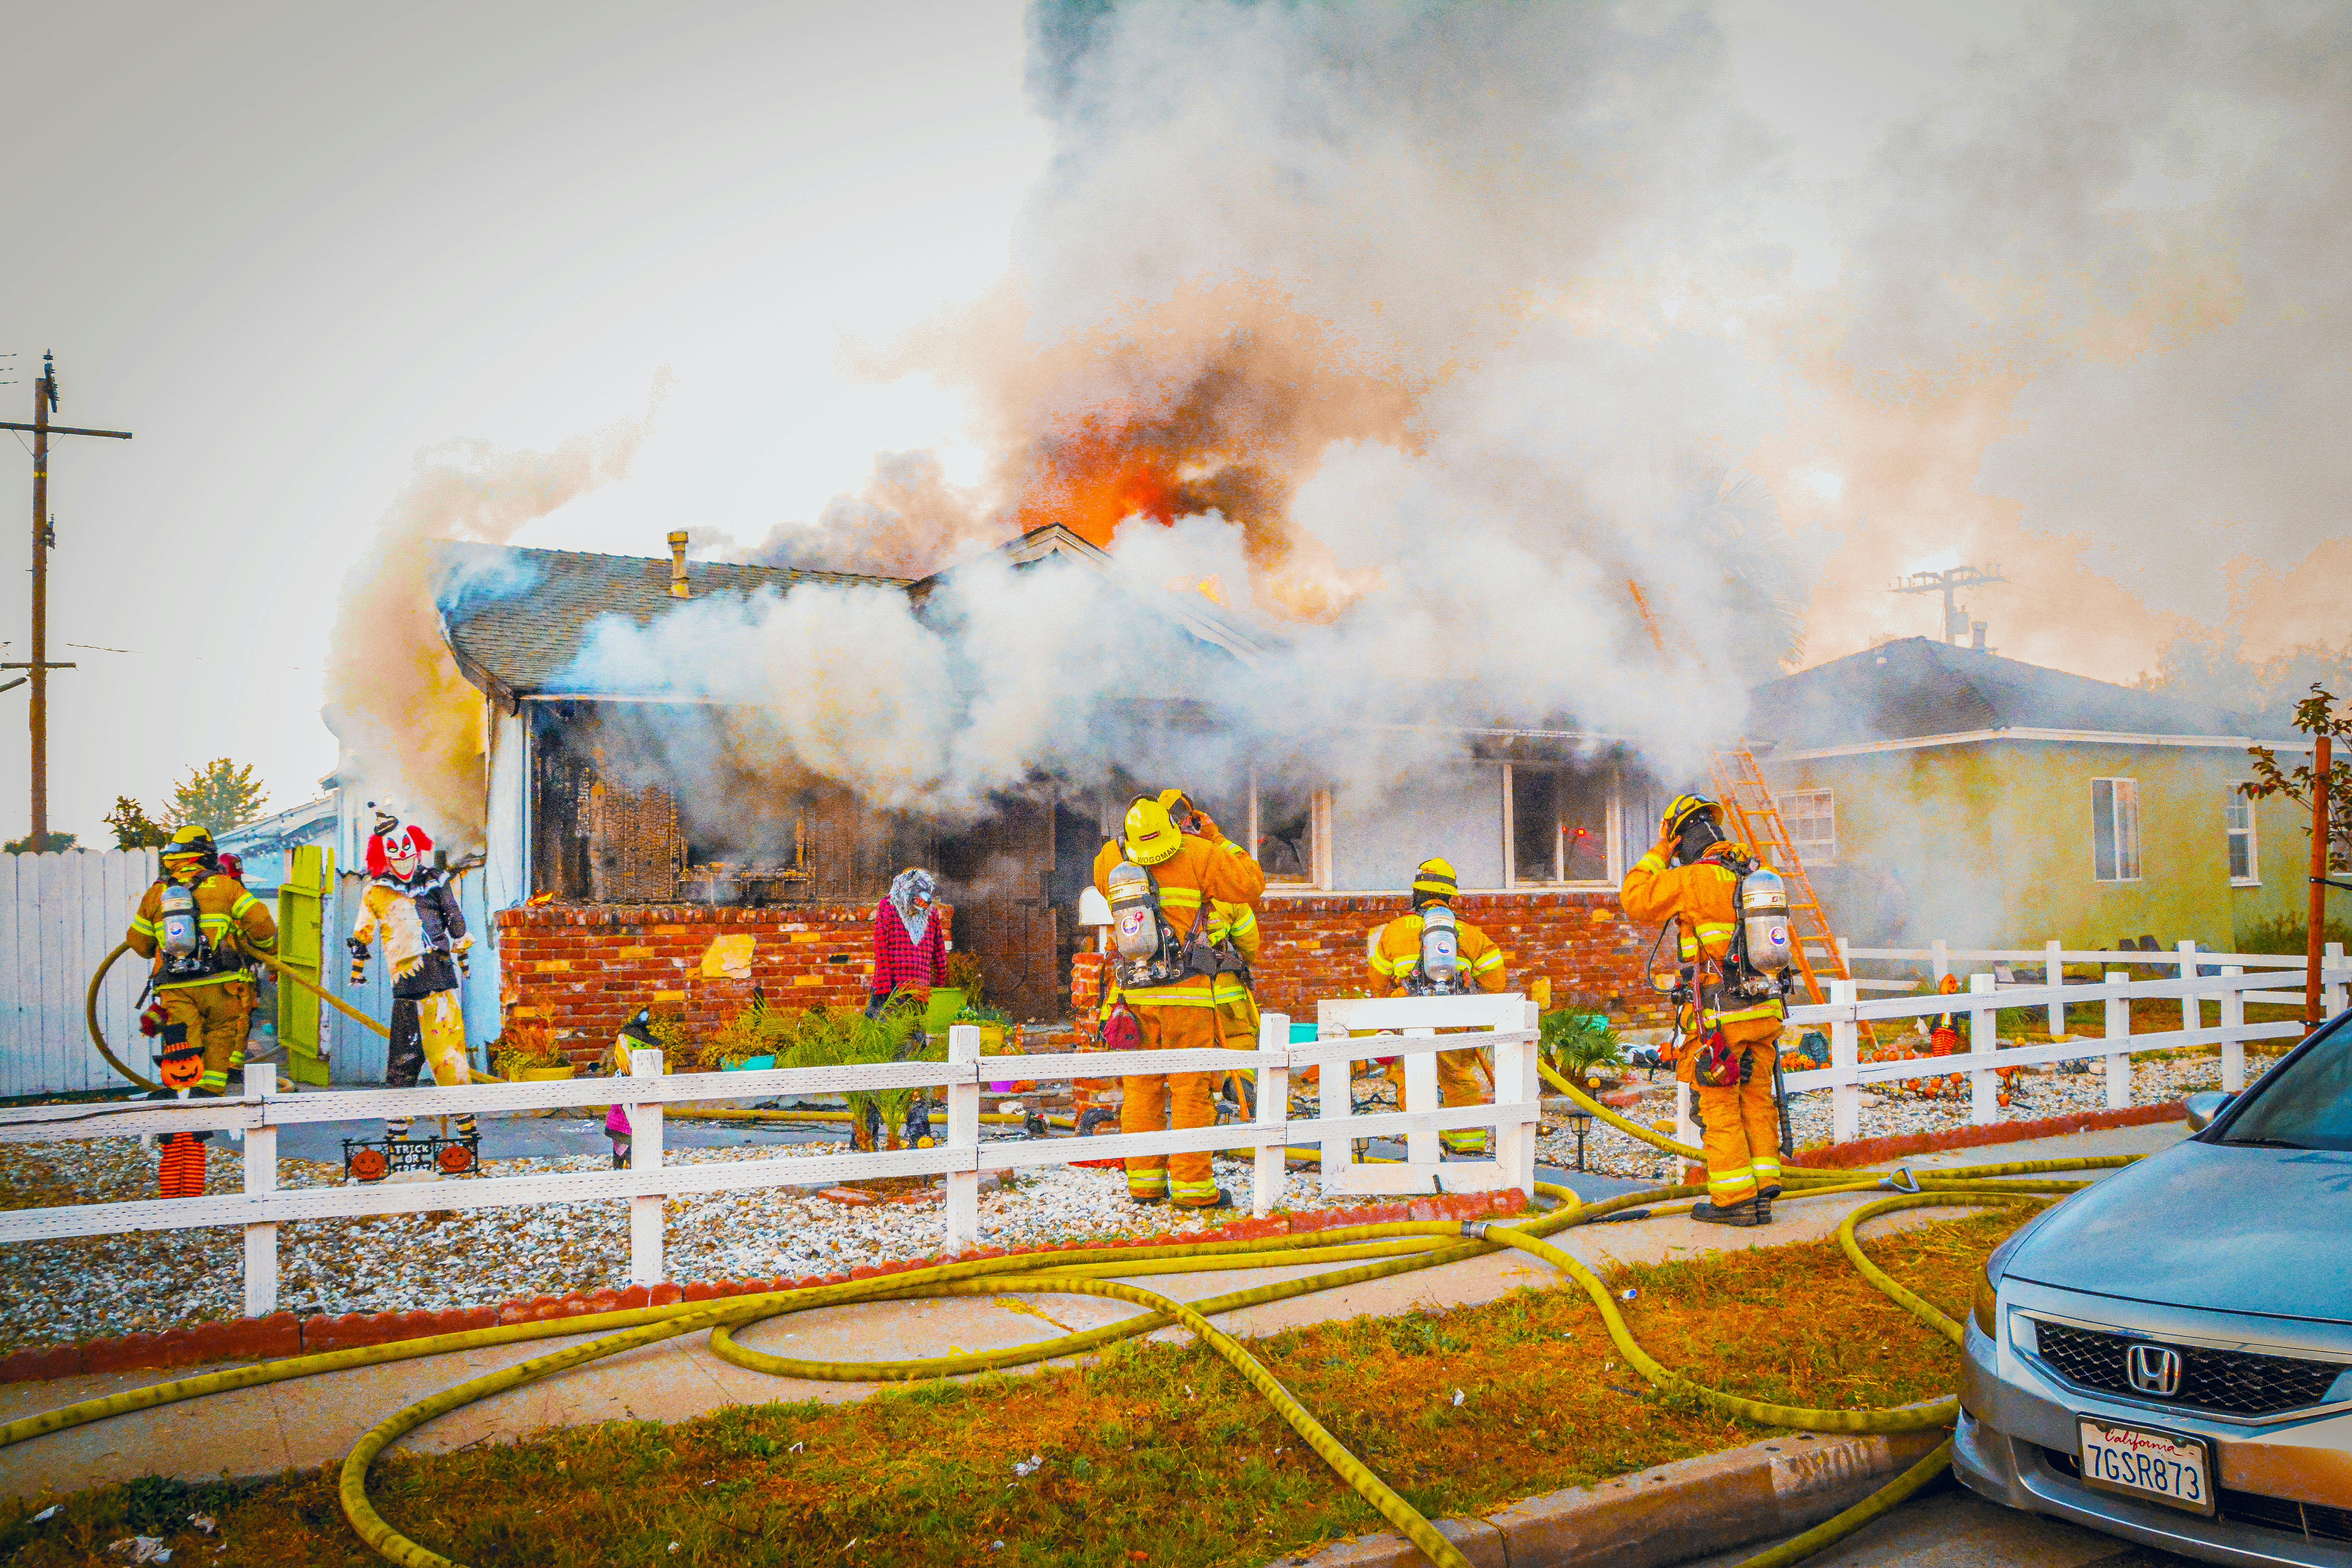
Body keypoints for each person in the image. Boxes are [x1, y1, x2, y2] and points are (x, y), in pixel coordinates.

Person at [1620, 793, 1787, 1227]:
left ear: (1683, 840)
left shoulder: (1693, 879)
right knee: (1755, 1097)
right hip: (1765, 1009)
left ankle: (1734, 1200)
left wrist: (1661, 852)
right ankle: (1763, 1186)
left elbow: (1635, 898)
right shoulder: (1755, 874)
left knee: (1719, 1102)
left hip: (1720, 1018)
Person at [1092, 790, 1265, 1208]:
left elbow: (1107, 876)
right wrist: (1218, 838)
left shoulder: (1111, 860)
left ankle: (1146, 1186)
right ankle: (1193, 1189)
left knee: (1141, 1090)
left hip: (1133, 998)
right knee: (1191, 1091)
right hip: (1188, 995)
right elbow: (1251, 885)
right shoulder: (1200, 853)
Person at [348, 807, 476, 1145]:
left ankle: (466, 1137)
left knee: (450, 1059)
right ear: (383, 855)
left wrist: (462, 951)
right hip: (406, 987)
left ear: (417, 846)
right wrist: (357, 968)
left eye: (407, 847)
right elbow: (362, 932)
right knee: (403, 1061)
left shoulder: (435, 881)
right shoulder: (377, 890)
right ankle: (398, 1140)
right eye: (394, 850)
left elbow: (453, 915)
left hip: (440, 979)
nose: (403, 855)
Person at [124, 824, 278, 1100]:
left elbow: (139, 944)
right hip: (222, 984)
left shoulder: (156, 894)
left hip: (175, 985)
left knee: (182, 1039)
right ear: (206, 856)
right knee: (220, 1036)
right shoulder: (227, 888)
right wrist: (267, 950)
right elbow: (262, 926)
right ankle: (209, 1094)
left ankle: (183, 1098)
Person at [1366, 857, 1507, 1157]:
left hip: (1407, 1016)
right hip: (1454, 1017)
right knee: (1457, 1077)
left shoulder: (1393, 930)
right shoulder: (1469, 934)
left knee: (1410, 1077)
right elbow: (1497, 984)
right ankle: (1468, 1148)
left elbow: (1377, 983)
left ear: (1417, 894)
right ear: (1450, 898)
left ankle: (1428, 1144)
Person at [870, 867, 947, 1019]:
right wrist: (884, 981)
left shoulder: (931, 912)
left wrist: (941, 977)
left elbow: (939, 947)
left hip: (919, 987)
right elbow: (881, 945)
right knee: (882, 1032)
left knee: (913, 1033)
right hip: (892, 985)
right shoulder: (889, 906)